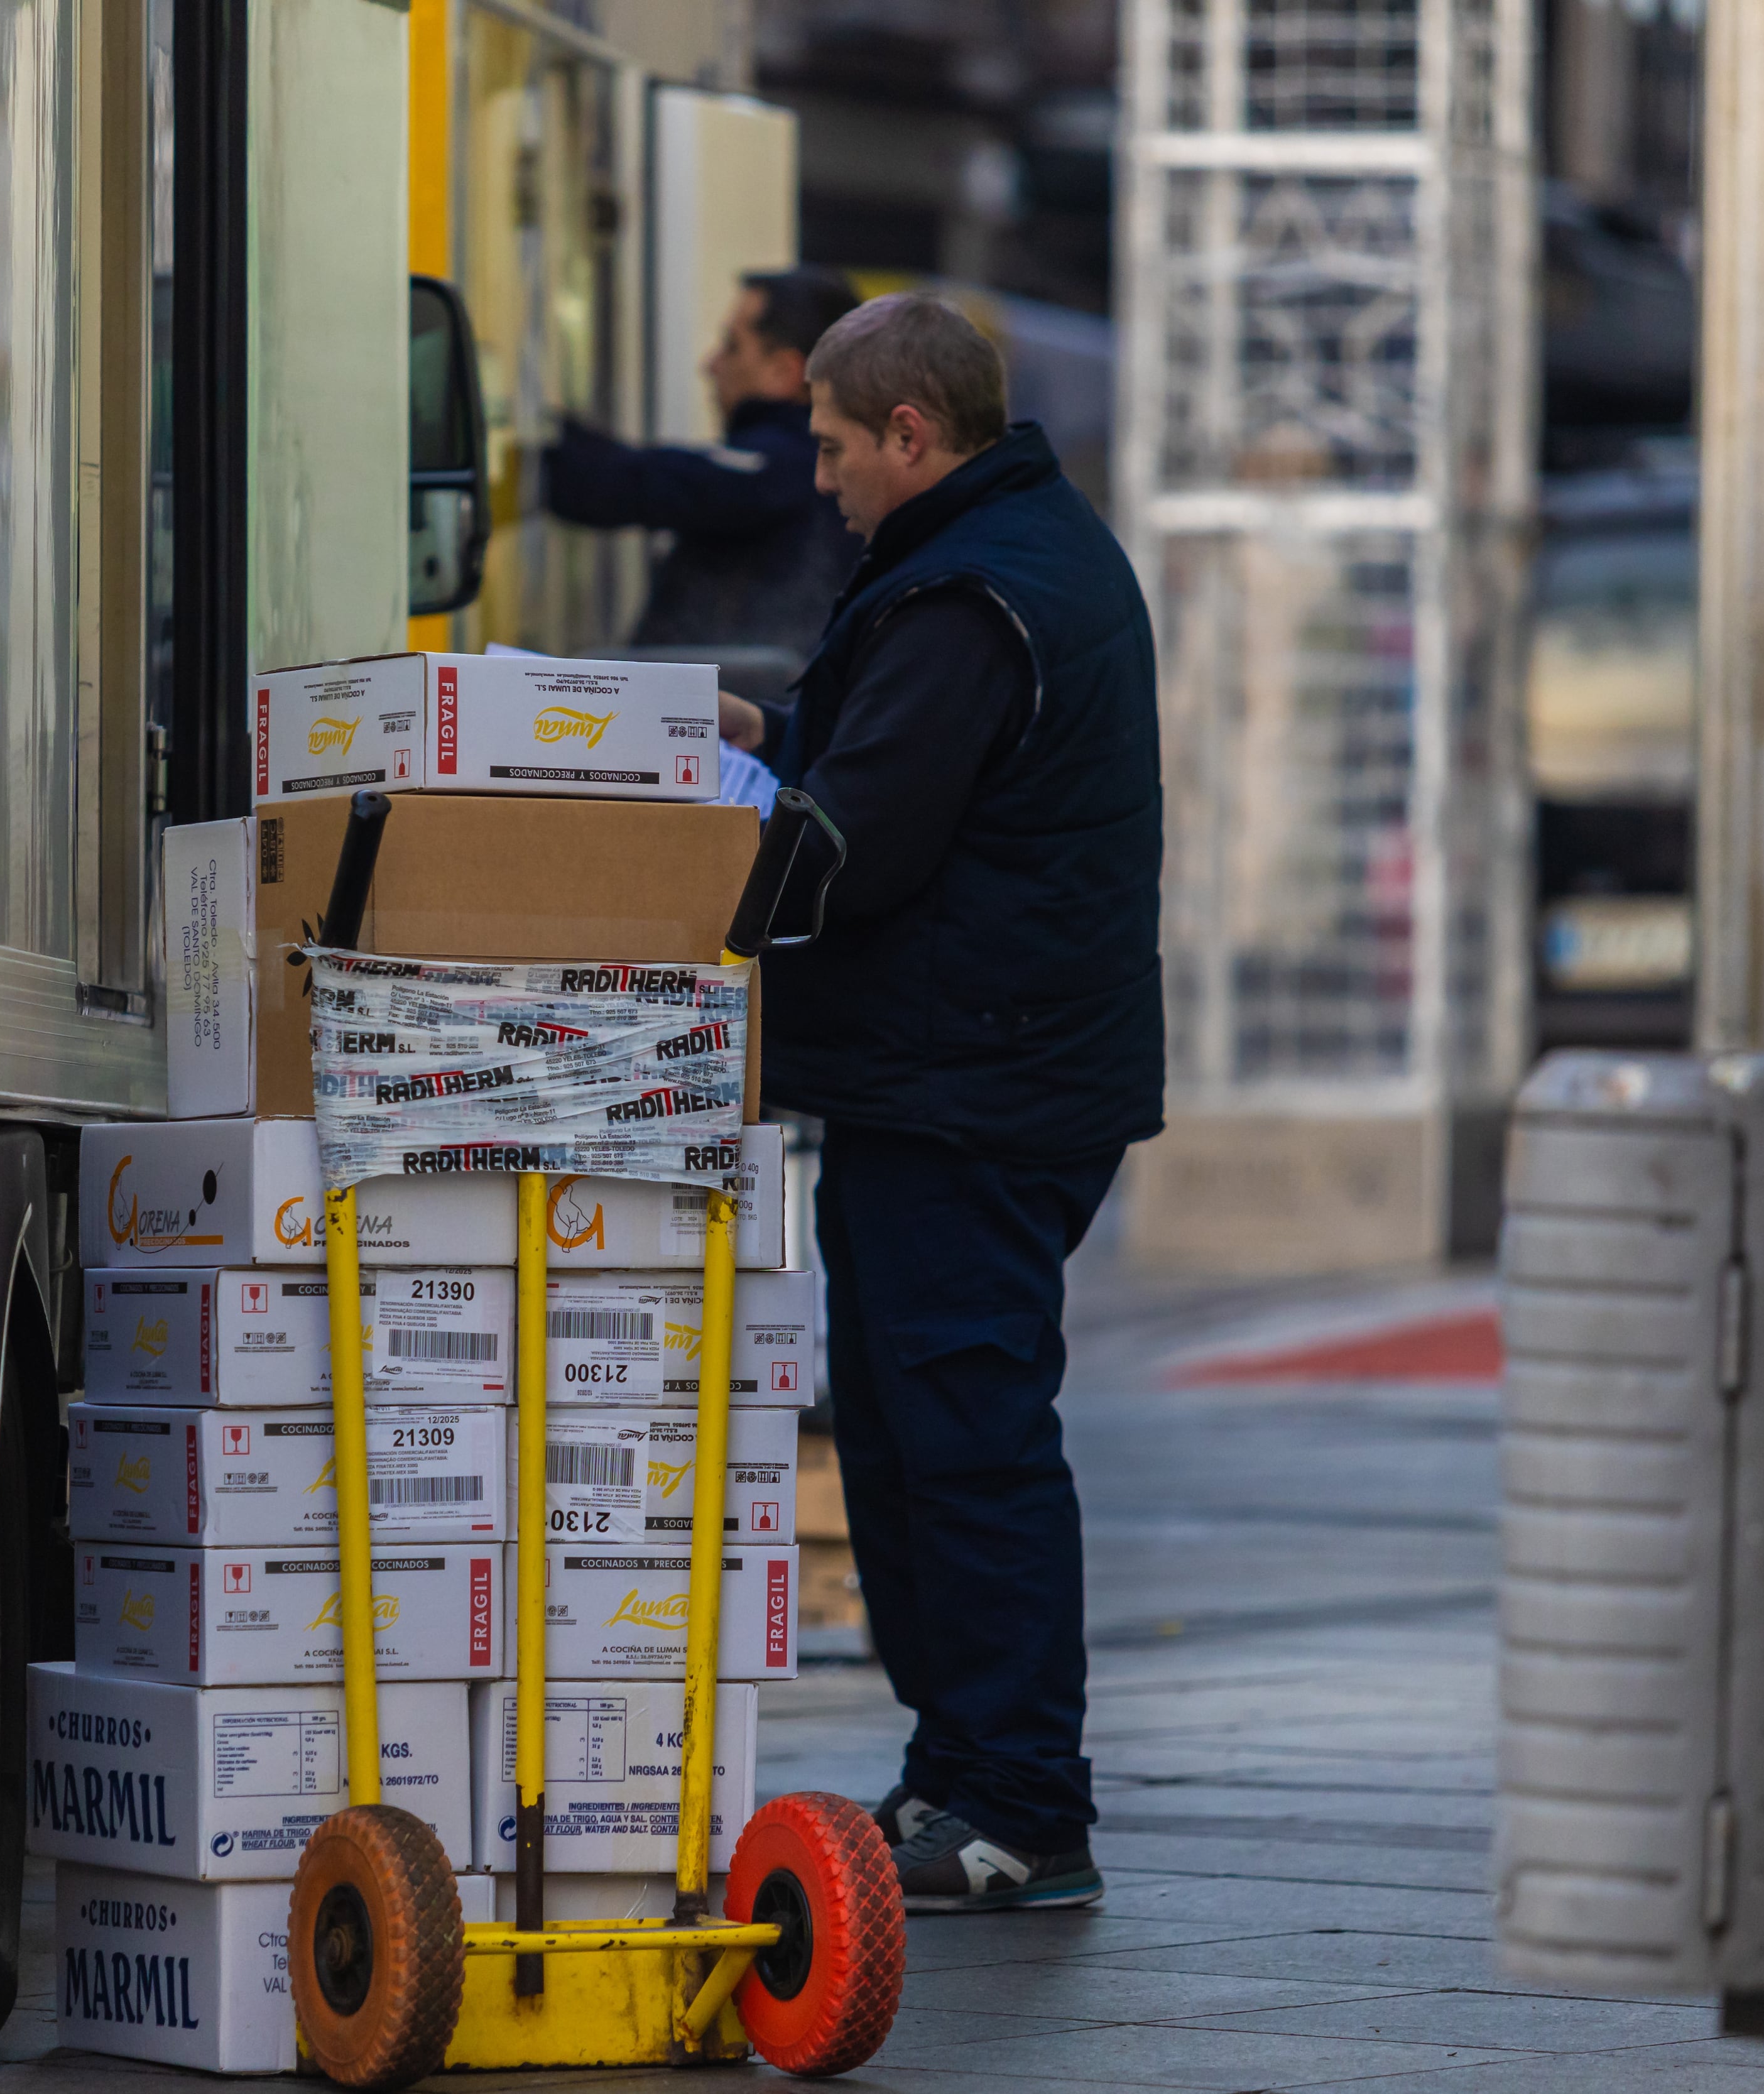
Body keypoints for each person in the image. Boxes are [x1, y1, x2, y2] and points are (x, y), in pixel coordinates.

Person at [743, 293, 1163, 1913]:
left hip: (974, 1083)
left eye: (837, 448)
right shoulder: (1006, 556)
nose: (826, 479)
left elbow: (858, 844)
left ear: (910, 436)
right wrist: (750, 736)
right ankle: (960, 1772)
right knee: (920, 1433)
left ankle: (1014, 1802)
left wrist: (645, 860)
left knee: (962, 1437)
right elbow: (875, 770)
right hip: (973, 1072)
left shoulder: (971, 594)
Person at [538, 267, 864, 659]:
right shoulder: (814, 464)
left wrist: (531, 436)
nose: (710, 366)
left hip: (725, 715)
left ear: (783, 373)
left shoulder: (790, 466)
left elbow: (629, 483)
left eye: (732, 346)